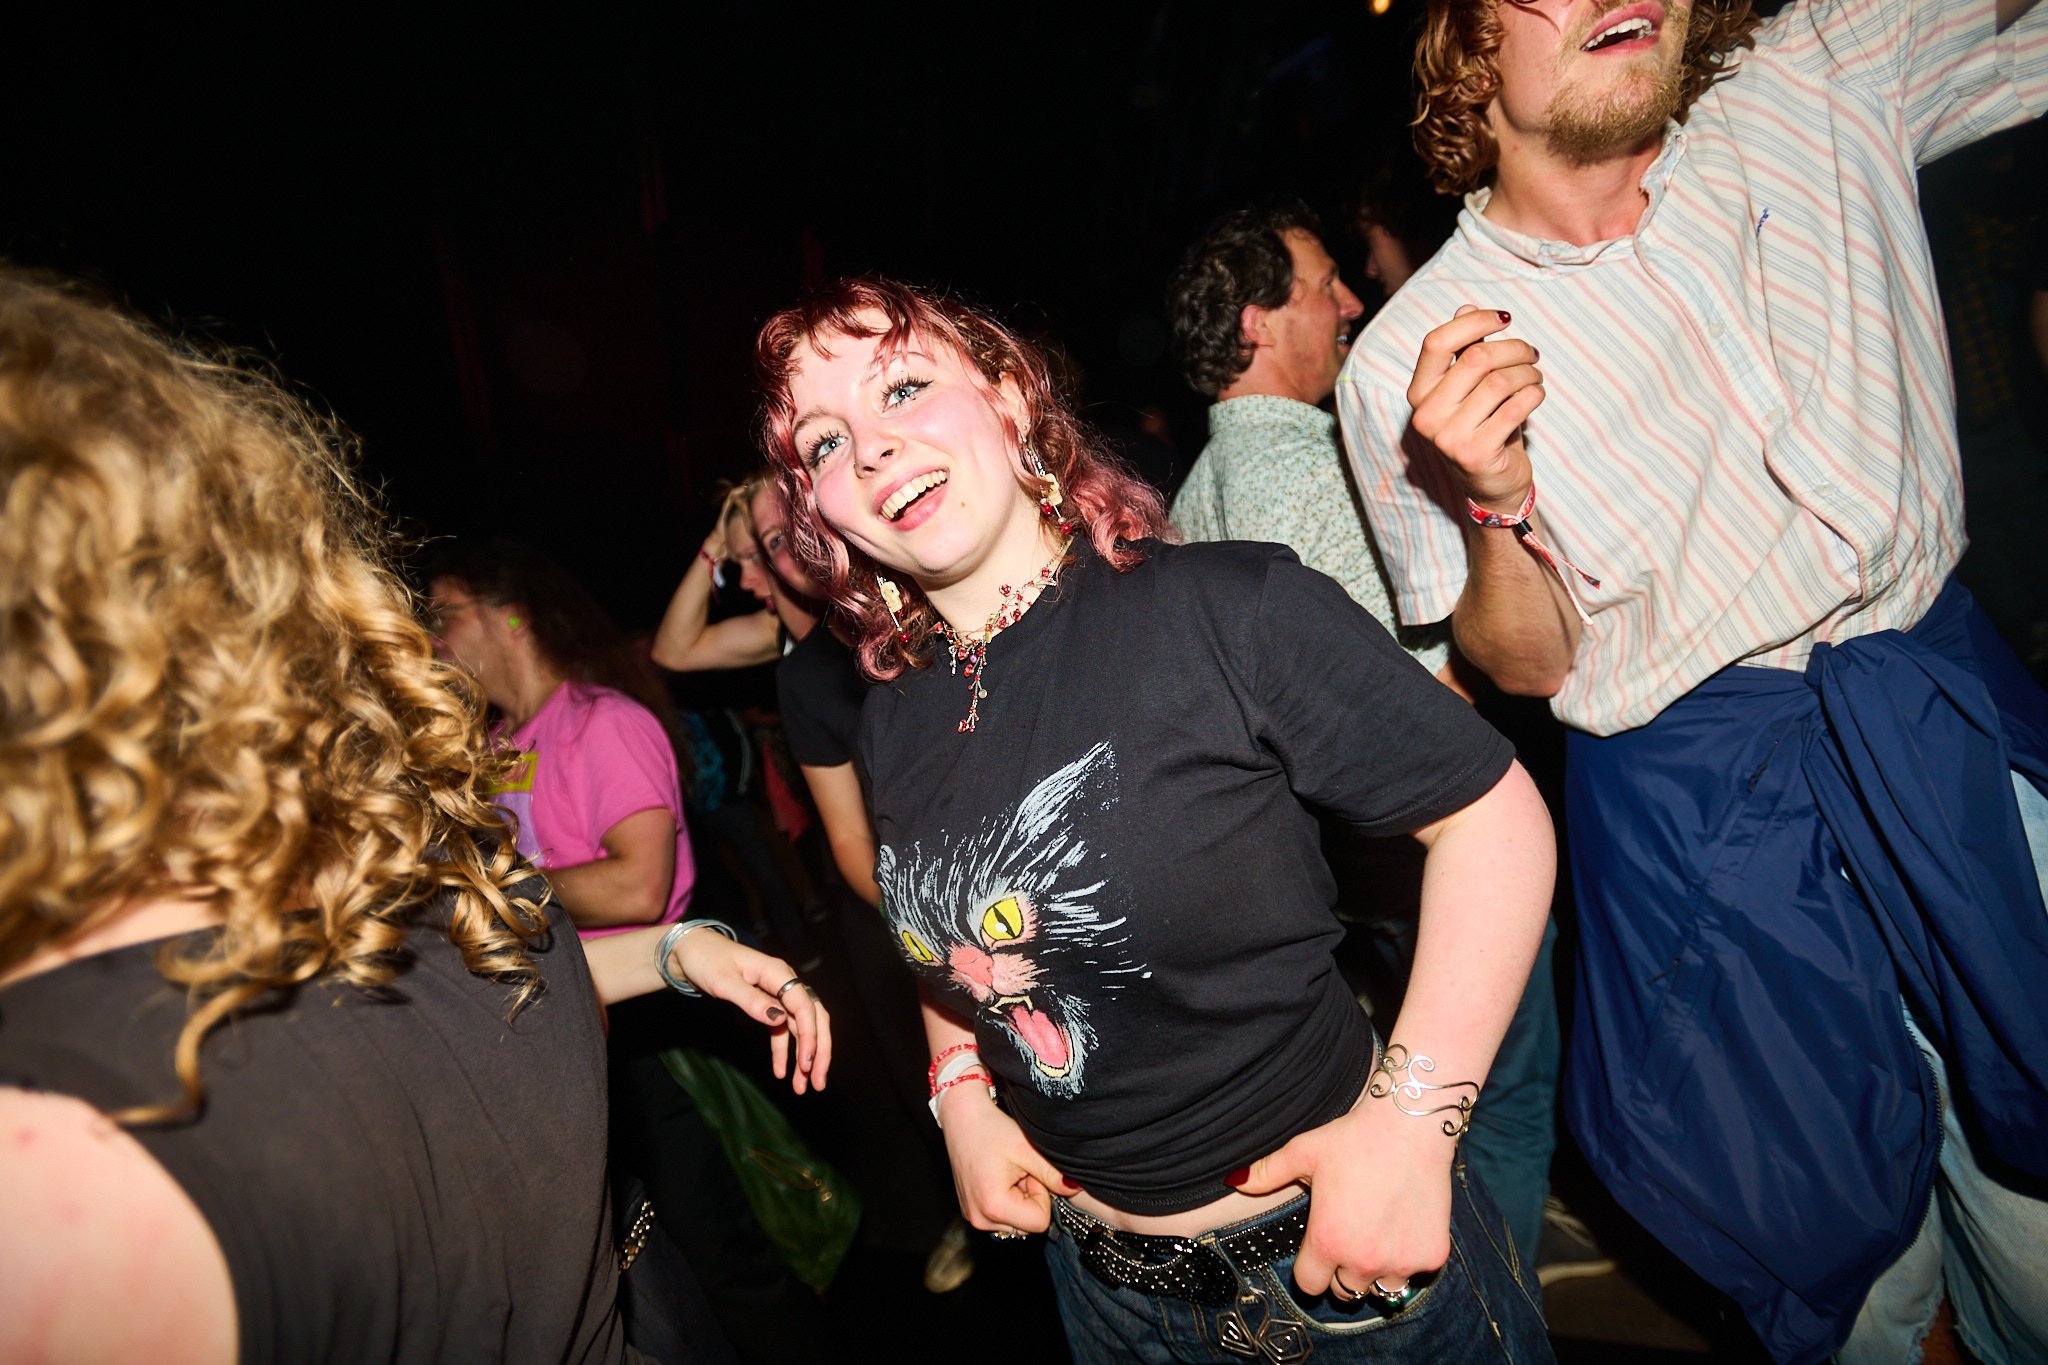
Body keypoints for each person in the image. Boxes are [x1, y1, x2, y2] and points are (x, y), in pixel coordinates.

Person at [1335, 0, 2048, 1359]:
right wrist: (1493, 500)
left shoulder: (1813, 80)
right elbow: (1525, 662)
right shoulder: (1402, 365)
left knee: (2039, 1217)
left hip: (1948, 729)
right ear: (1468, 48)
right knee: (1838, 1265)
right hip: (1705, 824)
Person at [0, 267, 827, 1363]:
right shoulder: (468, 769)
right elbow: (486, 945)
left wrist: (583, 911)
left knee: (726, 1238)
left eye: (447, 615)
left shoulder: (604, 722)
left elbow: (624, 881)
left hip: (638, 1053)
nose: (430, 640)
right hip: (572, 1024)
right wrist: (601, 929)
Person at [756, 276, 1557, 1363]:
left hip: (1333, 1273)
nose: (871, 448)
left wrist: (1412, 1124)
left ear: (1008, 395)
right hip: (1097, 1293)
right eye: (824, 442)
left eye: (902, 388)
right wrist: (963, 1094)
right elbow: (946, 931)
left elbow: (1492, 816)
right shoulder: (892, 716)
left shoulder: (1225, 608)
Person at [1168, 204, 1562, 1275]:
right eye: (1323, 285)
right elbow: (1402, 712)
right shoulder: (1308, 473)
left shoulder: (1197, 485)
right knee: (1502, 1092)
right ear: (1255, 322)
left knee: (1417, 1077)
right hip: (1428, 858)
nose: (1350, 302)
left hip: (1347, 874)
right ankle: (1487, 1306)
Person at [654, 475, 976, 1294]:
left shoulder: (895, 607)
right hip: (886, 897)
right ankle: (965, 1207)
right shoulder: (785, 652)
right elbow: (671, 650)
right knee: (921, 1070)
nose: (769, 560)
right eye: (762, 547)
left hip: (973, 872)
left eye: (786, 530)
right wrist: (717, 543)